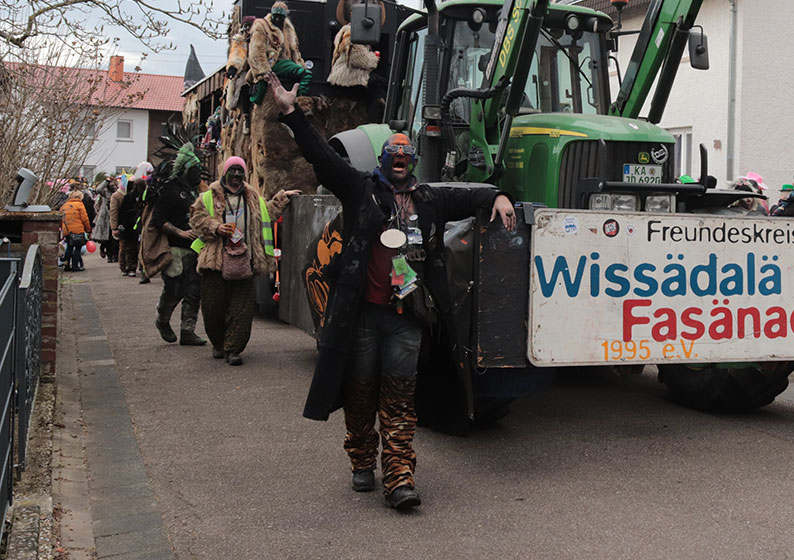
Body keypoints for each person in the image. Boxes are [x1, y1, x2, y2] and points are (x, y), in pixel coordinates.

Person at [268, 72, 517, 511]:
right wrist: (291, 113)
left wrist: (497, 195)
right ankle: (363, 460)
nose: (399, 157)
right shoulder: (359, 189)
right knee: (361, 394)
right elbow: (321, 157)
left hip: (407, 318)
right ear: (383, 159)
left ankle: (400, 478)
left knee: (400, 398)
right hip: (362, 315)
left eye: (405, 154)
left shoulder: (428, 199)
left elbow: (468, 194)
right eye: (393, 153)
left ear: (413, 160)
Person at [189, 156, 298, 366]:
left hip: (244, 260)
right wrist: (215, 227)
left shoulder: (252, 197)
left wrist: (283, 198)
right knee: (213, 308)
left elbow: (268, 213)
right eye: (233, 170)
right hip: (216, 261)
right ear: (225, 173)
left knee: (242, 309)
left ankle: (233, 349)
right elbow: (196, 219)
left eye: (240, 171)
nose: (237, 175)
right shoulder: (208, 197)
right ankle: (218, 343)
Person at [148, 145, 207, 346]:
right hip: (175, 250)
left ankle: (188, 331)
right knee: (174, 290)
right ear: (186, 169)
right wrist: (180, 232)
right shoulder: (170, 190)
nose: (199, 174)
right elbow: (158, 219)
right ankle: (162, 319)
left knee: (194, 291)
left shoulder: (195, 192)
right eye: (195, 169)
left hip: (196, 250)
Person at [61, 190, 91, 272]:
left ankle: (66, 265)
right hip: (77, 230)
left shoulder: (64, 206)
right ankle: (75, 266)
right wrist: (88, 229)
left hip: (67, 230)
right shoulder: (80, 205)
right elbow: (85, 219)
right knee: (77, 248)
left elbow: (61, 219)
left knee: (69, 247)